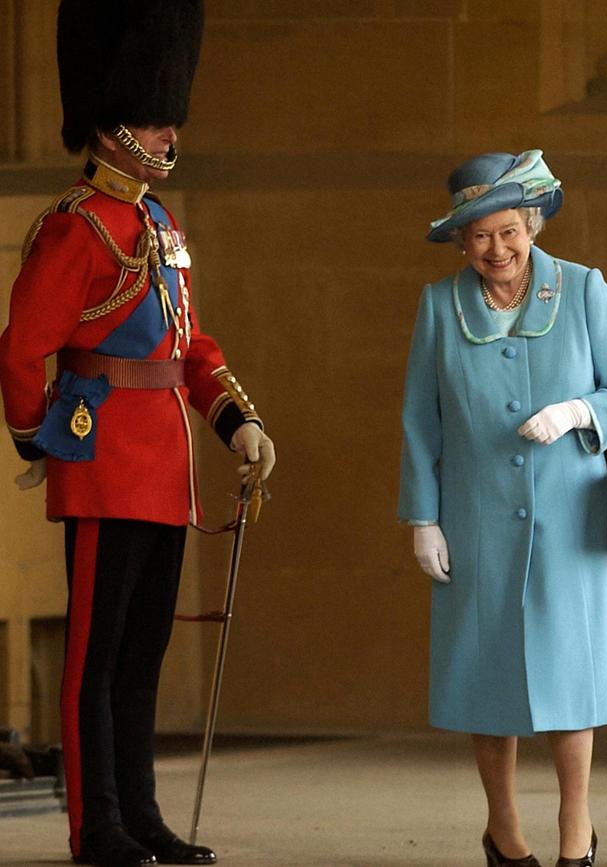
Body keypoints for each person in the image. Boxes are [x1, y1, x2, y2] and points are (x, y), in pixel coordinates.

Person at [0, 2, 275, 866]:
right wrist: (37, 437)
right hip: (103, 462)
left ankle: (142, 815)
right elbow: (20, 350)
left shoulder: (158, 226)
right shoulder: (75, 228)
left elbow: (191, 345)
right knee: (94, 655)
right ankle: (97, 823)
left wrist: (238, 421)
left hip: (165, 470)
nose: (169, 131)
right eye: (157, 118)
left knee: (142, 654)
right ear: (114, 127)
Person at [398, 149, 607, 867]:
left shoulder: (584, 289)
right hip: (475, 520)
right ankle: (503, 828)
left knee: (571, 677)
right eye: (479, 236)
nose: (496, 249)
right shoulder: (441, 305)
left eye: (508, 231)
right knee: (487, 677)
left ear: (532, 224)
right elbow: (421, 418)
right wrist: (422, 517)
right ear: (460, 240)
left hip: (569, 517)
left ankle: (578, 825)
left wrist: (576, 410)